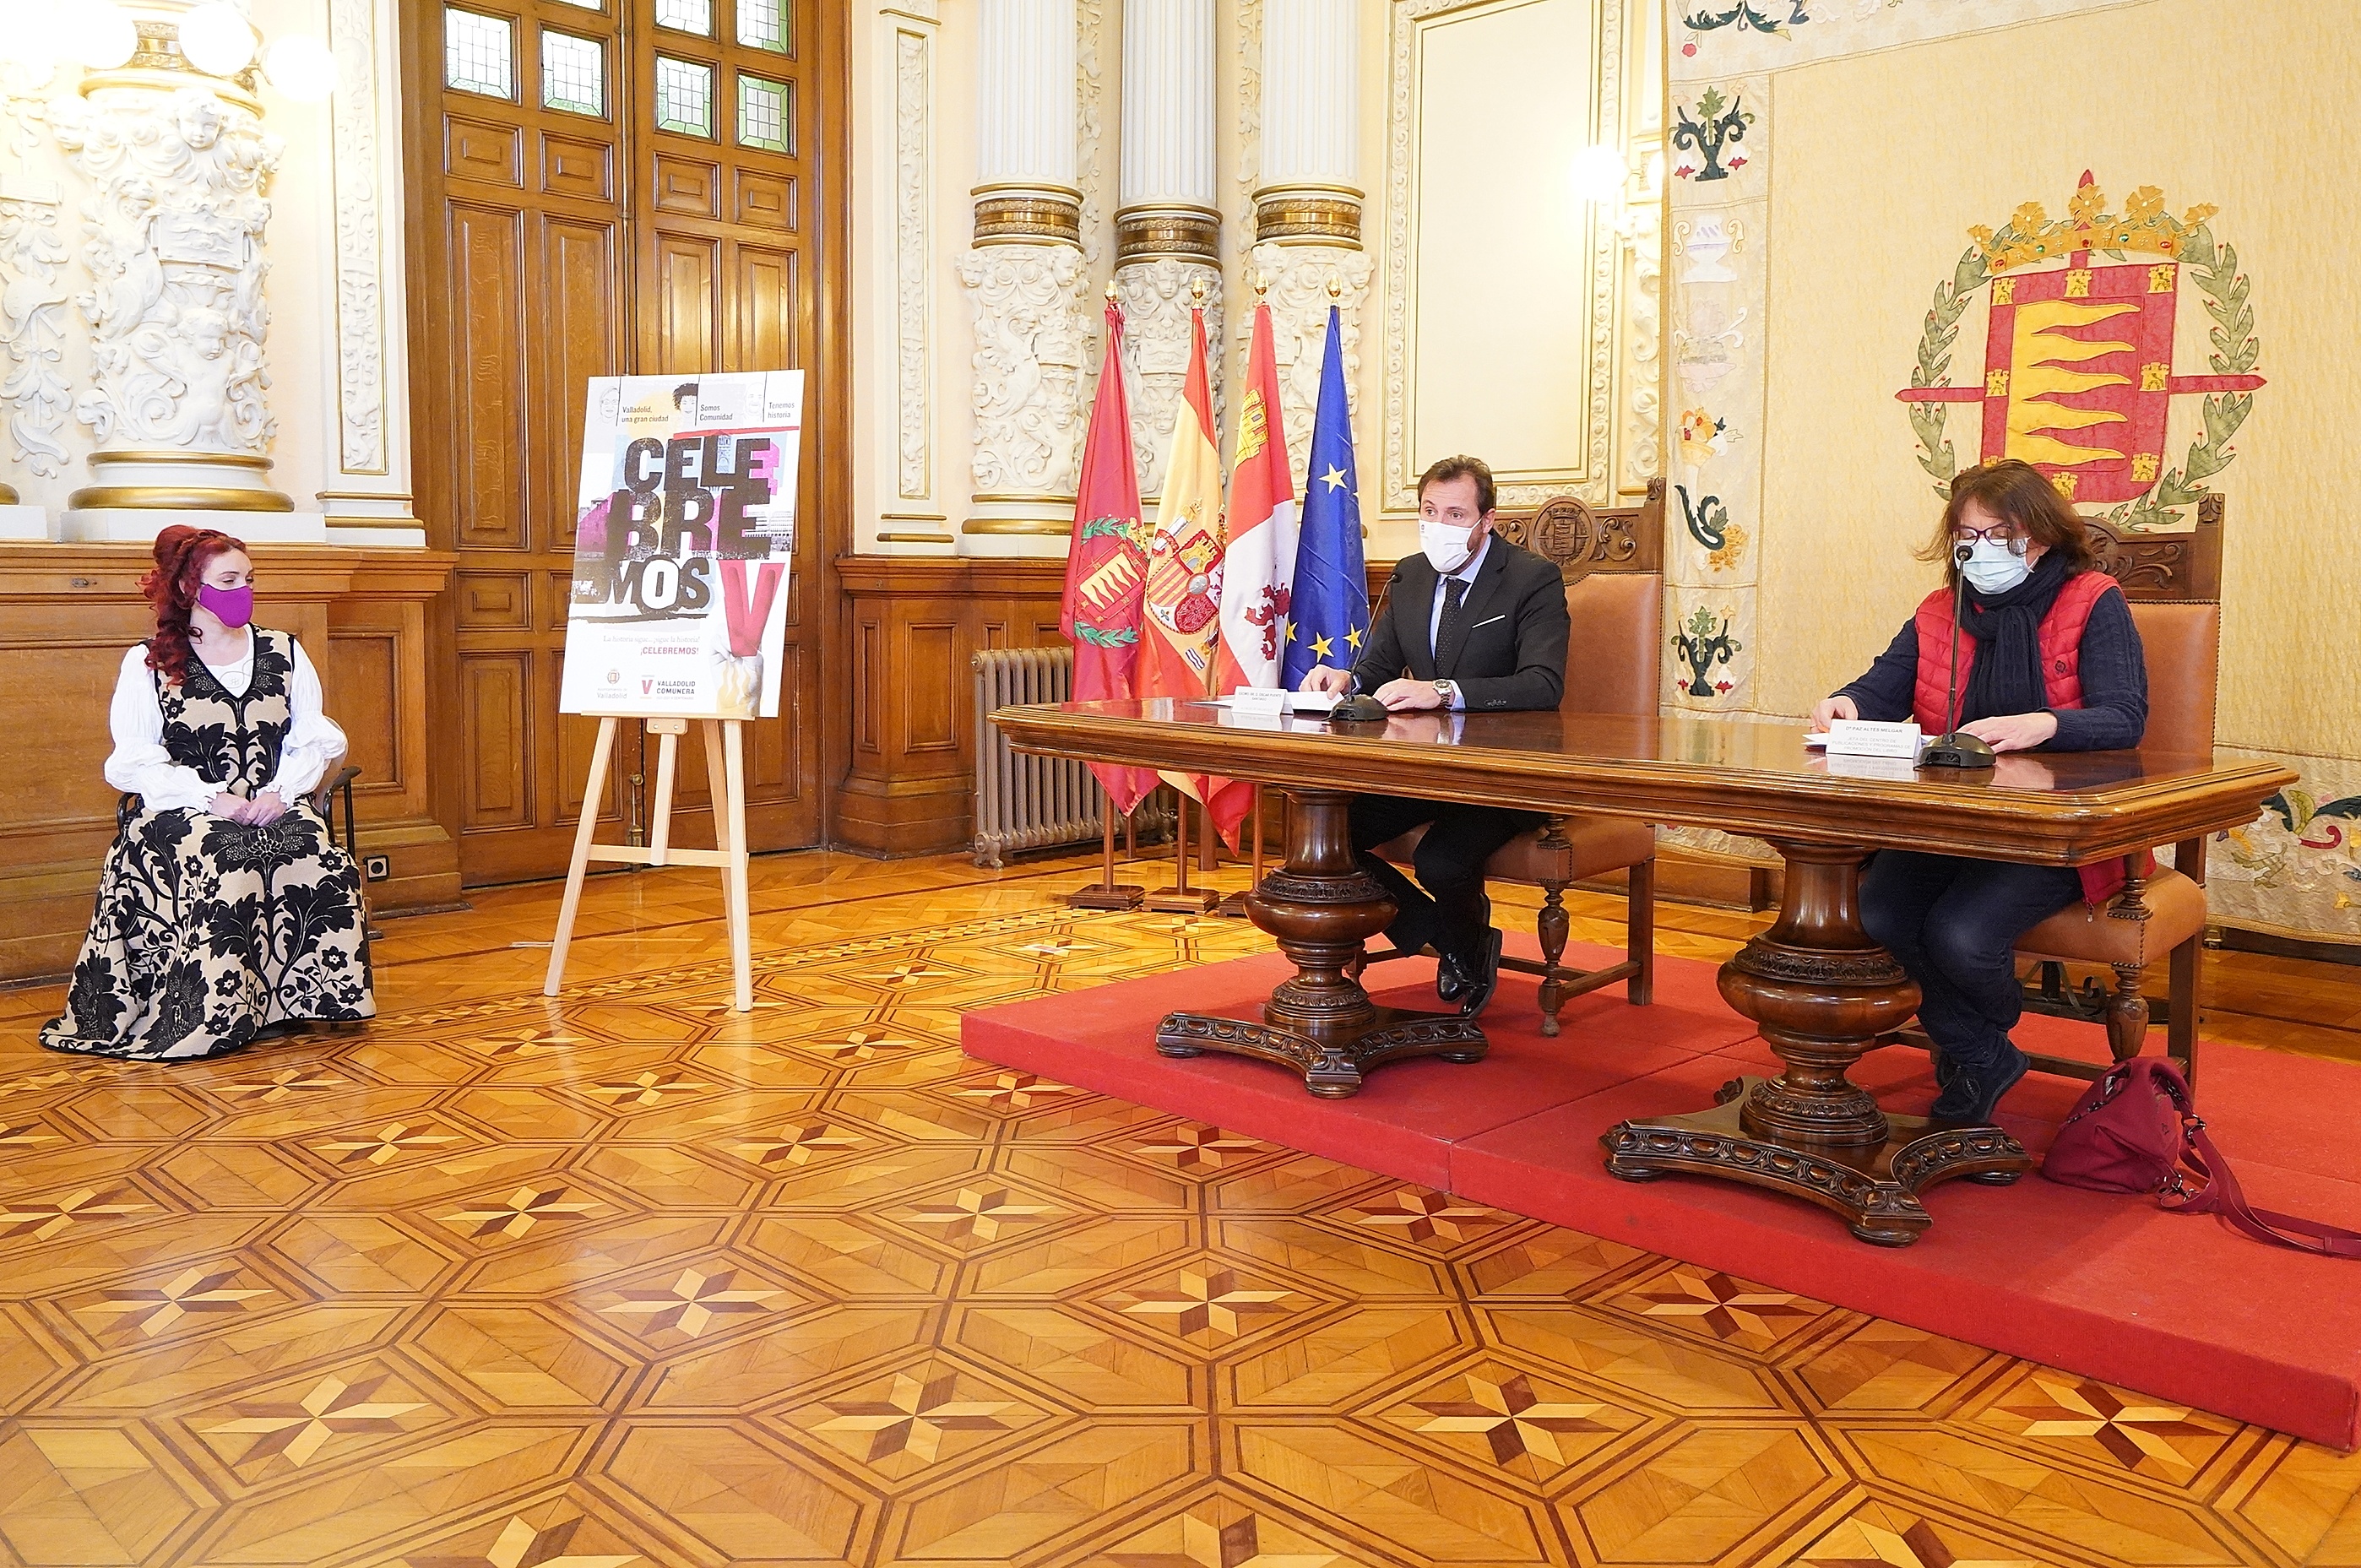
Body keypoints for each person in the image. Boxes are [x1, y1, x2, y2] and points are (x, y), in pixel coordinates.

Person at [1813, 458, 2148, 1123]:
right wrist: (1846, 703)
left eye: (2002, 534)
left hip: (2053, 830)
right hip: (1949, 821)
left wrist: (2042, 724)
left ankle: (1970, 1044)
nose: (1982, 548)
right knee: (1877, 915)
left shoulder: (2093, 599)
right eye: (1969, 535)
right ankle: (1982, 1050)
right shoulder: (1940, 609)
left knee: (1960, 935)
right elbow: (1881, 688)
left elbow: (2125, 716)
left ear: (2042, 537)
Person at [41, 526, 376, 1060]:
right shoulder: (150, 662)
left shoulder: (285, 651)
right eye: (229, 580)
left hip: (272, 799)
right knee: (224, 853)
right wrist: (209, 798)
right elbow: (134, 759)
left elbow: (312, 738)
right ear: (190, 587)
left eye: (249, 579)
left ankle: (308, 1000)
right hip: (181, 808)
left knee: (317, 855)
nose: (243, 590)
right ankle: (214, 1012)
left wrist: (282, 792)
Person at [1299, 454, 1570, 1017]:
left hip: (1505, 772)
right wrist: (1347, 679)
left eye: (1455, 514)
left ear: (1487, 520)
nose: (1439, 525)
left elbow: (1543, 684)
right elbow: (1377, 668)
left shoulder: (1532, 578)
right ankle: (1454, 940)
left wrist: (1443, 690)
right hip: (1423, 769)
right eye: (1429, 511)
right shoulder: (1410, 575)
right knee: (1328, 835)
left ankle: (1459, 942)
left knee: (1441, 861)